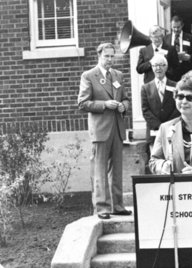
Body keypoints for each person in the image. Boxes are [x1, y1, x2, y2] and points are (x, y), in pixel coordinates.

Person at [78, 43, 131, 220]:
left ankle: (117, 205)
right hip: (100, 129)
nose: (109, 60)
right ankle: (102, 208)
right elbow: (83, 103)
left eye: (111, 56)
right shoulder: (89, 76)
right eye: (106, 56)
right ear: (99, 56)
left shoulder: (118, 75)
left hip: (117, 127)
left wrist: (124, 106)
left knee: (116, 169)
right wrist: (104, 105)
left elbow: (125, 98)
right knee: (100, 169)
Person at [141, 54, 180, 147]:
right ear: (152, 67)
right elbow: (145, 110)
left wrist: (168, 125)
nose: (158, 68)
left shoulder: (176, 86)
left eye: (161, 65)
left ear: (166, 67)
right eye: (155, 65)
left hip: (172, 129)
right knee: (155, 159)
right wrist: (159, 126)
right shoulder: (145, 88)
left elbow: (178, 107)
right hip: (154, 131)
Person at [163, 15, 192, 81]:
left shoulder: (190, 37)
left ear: (182, 25)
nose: (176, 30)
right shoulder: (165, 38)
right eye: (174, 27)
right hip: (171, 73)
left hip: (186, 72)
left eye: (178, 27)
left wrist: (190, 57)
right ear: (170, 25)